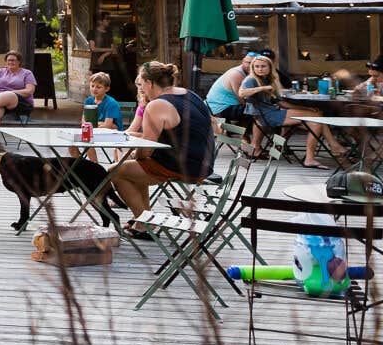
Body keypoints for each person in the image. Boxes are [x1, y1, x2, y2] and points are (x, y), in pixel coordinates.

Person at [108, 61, 215, 239]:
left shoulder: (156, 105)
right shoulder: (190, 94)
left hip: (183, 165)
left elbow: (146, 150)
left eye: (141, 85)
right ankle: (142, 217)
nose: (141, 90)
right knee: (137, 167)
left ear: (150, 83)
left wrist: (136, 153)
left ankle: (144, 222)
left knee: (115, 171)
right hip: (204, 162)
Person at [239, 54, 339, 169]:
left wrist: (306, 109)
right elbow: (242, 93)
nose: (260, 69)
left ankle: (310, 159)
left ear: (270, 68)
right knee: (317, 115)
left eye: (263, 66)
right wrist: (262, 88)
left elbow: (282, 103)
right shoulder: (251, 79)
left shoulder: (270, 80)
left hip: (273, 112)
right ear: (253, 68)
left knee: (315, 123)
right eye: (257, 66)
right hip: (267, 116)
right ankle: (334, 145)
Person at [206, 54, 254, 129]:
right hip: (219, 108)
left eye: (253, 63)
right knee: (256, 110)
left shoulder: (246, 72)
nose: (250, 65)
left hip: (219, 106)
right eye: (248, 62)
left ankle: (237, 131)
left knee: (255, 108)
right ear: (243, 61)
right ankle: (243, 135)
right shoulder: (237, 74)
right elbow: (241, 99)